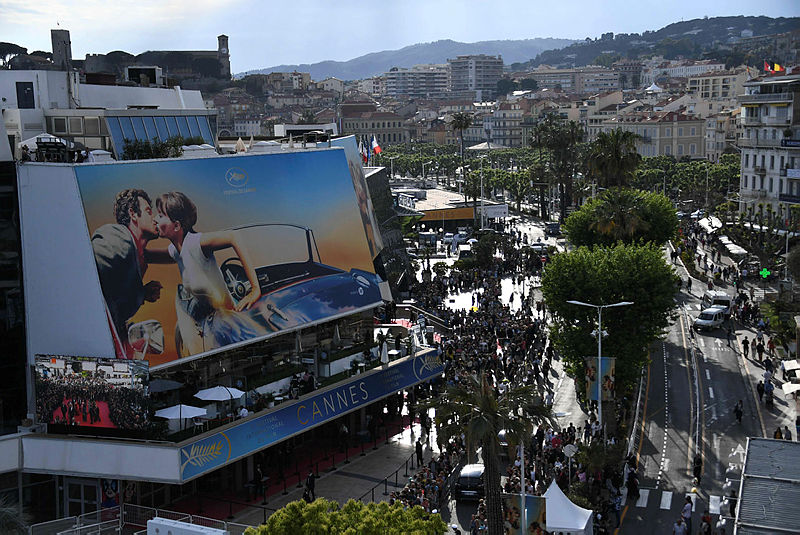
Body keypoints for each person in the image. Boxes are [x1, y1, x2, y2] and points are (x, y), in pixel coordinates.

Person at [146, 192, 263, 354]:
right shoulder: (175, 250)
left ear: (177, 226)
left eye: (160, 215)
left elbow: (233, 236)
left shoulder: (195, 243)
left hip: (230, 324)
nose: (155, 219)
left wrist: (255, 289)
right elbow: (148, 255)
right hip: (208, 326)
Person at [91, 189, 163, 357]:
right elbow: (86, 271)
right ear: (133, 214)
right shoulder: (119, 237)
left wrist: (141, 293)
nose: (154, 218)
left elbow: (111, 290)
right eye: (148, 211)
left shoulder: (137, 253)